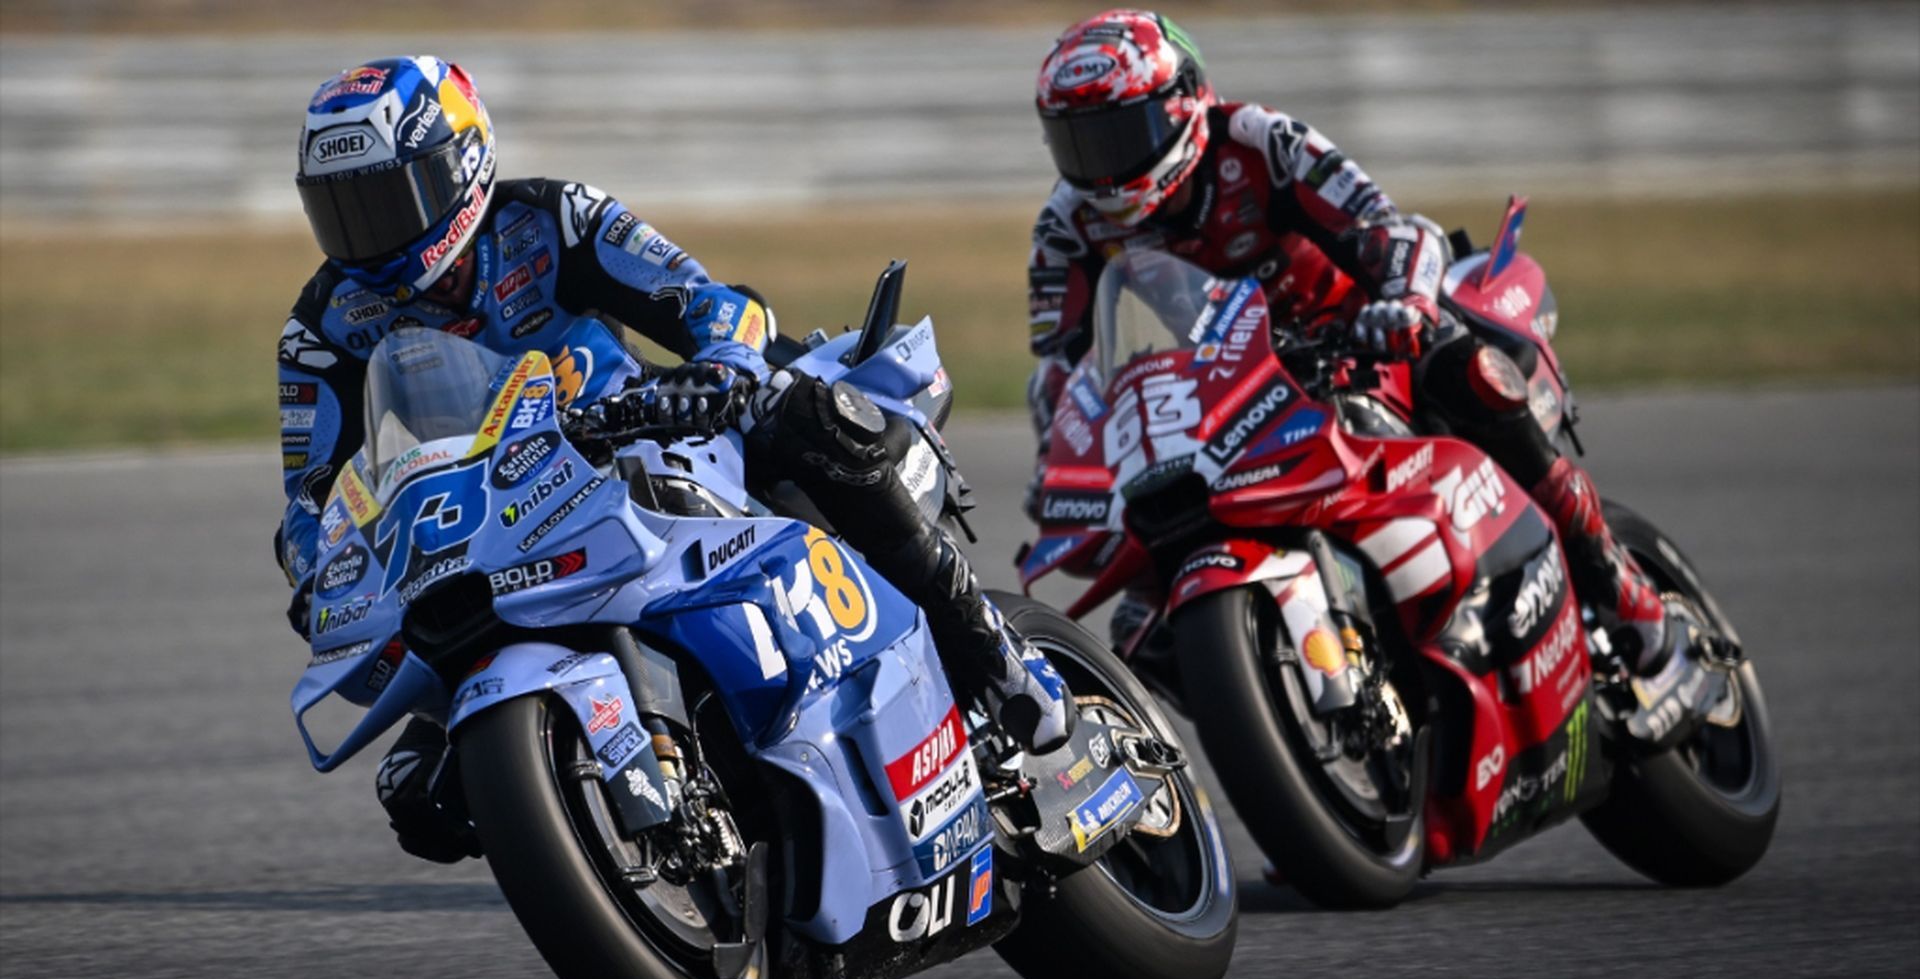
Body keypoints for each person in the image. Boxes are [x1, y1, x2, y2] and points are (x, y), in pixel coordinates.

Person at [277, 56, 1068, 863]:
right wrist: (318, 574)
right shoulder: (322, 329)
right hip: (488, 533)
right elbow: (309, 500)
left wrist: (720, 369)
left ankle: (995, 658)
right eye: (341, 210)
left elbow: (708, 301)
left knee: (808, 414)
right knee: (420, 797)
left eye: (386, 199)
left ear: (462, 166)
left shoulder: (551, 219)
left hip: (639, 439)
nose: (368, 233)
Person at [1024, 11, 1685, 685]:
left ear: (1182, 104)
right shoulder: (1066, 227)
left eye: (1118, 136)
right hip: (1218, 406)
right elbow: (1062, 374)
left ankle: (1616, 583)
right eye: (1078, 145)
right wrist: (1064, 473)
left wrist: (1406, 305)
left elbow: (1380, 222)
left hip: (1353, 337)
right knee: (1141, 631)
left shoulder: (1258, 141)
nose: (1101, 170)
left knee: (1470, 375)